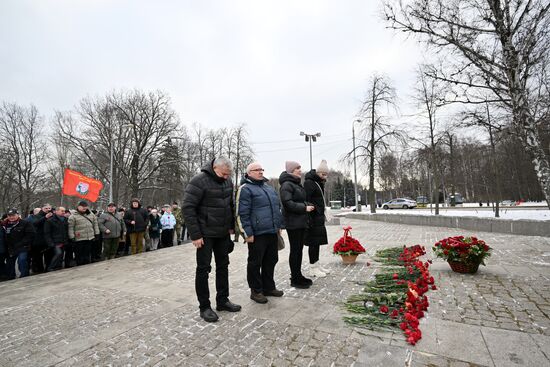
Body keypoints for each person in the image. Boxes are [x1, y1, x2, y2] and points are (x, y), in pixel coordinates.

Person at [183, 156, 241, 323]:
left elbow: (230, 206)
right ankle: (204, 307)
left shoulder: (227, 182)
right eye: (223, 174)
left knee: (223, 267)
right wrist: (195, 234)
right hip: (204, 234)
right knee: (203, 269)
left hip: (222, 233)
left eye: (228, 174)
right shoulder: (199, 181)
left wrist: (231, 229)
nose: (226, 177)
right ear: (215, 167)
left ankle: (222, 300)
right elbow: (188, 207)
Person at [236, 162, 284, 304]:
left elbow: (277, 207)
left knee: (271, 260)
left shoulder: (268, 188)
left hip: (272, 231)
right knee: (255, 263)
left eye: (262, 169)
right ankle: (256, 291)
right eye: (257, 170)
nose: (261, 172)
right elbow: (241, 213)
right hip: (257, 233)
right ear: (249, 173)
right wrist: (247, 233)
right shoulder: (245, 189)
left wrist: (279, 225)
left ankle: (268, 287)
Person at [279, 161, 315, 289]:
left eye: (300, 168)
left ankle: (298, 275)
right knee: (295, 251)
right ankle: (295, 278)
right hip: (293, 223)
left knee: (298, 250)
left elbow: (298, 200)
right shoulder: (287, 185)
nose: (300, 170)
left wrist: (307, 204)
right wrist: (304, 208)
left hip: (300, 222)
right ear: (291, 170)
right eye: (297, 168)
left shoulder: (296, 183)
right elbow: (287, 203)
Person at [304, 160, 331, 278]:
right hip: (313, 217)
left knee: (318, 242)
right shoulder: (310, 183)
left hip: (318, 217)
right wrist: (316, 209)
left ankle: (316, 264)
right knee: (313, 243)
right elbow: (307, 199)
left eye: (326, 175)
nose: (325, 177)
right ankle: (312, 268)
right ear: (318, 172)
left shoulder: (318, 182)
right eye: (323, 174)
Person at [3, 209, 35, 279]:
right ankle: (11, 277)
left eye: (13, 215)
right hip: (10, 248)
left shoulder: (25, 223)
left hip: (23, 246)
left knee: (22, 260)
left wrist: (22, 243)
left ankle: (24, 276)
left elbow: (30, 235)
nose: (11, 217)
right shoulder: (4, 224)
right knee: (9, 263)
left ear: (18, 215)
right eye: (9, 215)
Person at [68, 201, 100, 265]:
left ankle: (86, 266)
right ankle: (79, 265)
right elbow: (70, 227)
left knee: (87, 253)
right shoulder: (73, 216)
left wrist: (97, 233)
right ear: (78, 207)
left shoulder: (91, 214)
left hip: (89, 238)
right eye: (82, 206)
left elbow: (95, 224)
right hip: (79, 239)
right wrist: (72, 237)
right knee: (79, 254)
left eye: (85, 206)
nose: (84, 207)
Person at [28, 203, 53, 273]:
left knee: (48, 257)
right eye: (46, 208)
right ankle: (39, 271)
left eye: (49, 208)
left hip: (48, 240)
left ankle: (48, 270)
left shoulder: (52, 215)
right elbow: (35, 223)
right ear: (42, 209)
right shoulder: (37, 216)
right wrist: (45, 217)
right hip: (38, 241)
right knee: (38, 258)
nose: (48, 210)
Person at [43, 206, 69, 271]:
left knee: (61, 255)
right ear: (56, 211)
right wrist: (50, 243)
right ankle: (50, 267)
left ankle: (58, 267)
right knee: (58, 253)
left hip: (63, 240)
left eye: (64, 211)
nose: (63, 212)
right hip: (55, 242)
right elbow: (47, 233)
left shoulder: (65, 219)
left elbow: (66, 230)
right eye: (62, 211)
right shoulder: (50, 220)